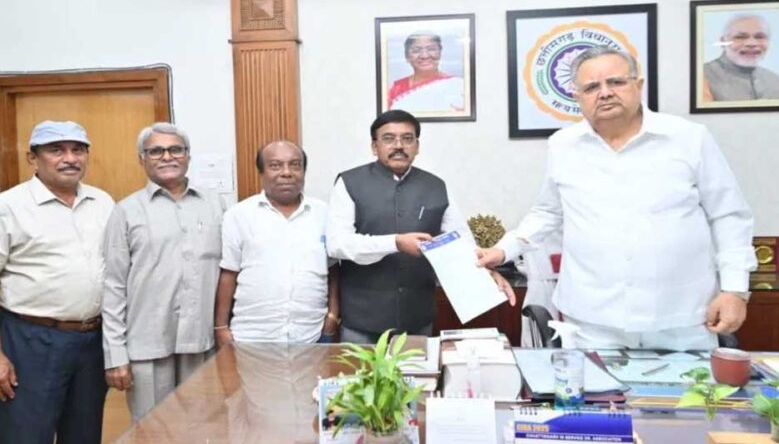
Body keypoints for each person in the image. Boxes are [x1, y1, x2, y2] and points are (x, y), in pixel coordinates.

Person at [478, 46, 757, 351]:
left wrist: (735, 289)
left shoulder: (689, 138)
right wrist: (504, 250)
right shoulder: (563, 145)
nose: (605, 93)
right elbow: (548, 212)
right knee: (594, 385)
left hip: (681, 317)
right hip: (592, 320)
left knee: (689, 385)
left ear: (639, 85)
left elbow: (728, 214)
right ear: (578, 97)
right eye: (591, 87)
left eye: (616, 82)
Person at [326, 109, 514, 344]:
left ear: (417, 146)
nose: (399, 145)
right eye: (388, 138)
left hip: (416, 317)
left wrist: (486, 272)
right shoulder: (349, 182)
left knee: (418, 370)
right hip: (362, 320)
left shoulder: (436, 186)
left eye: (407, 138)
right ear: (374, 146)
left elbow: (460, 242)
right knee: (360, 370)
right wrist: (395, 243)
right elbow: (337, 244)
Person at [0, 121, 114, 443]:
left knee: (84, 434)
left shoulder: (103, 202)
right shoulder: (8, 207)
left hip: (92, 341)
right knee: (26, 434)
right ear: (32, 158)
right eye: (56, 150)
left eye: (78, 150)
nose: (70, 158)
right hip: (29, 340)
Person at [101, 123, 224, 421]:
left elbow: (228, 271)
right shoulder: (125, 211)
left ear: (188, 156)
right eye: (156, 151)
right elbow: (113, 285)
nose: (167, 156)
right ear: (142, 159)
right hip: (148, 344)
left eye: (175, 149)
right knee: (153, 431)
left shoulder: (215, 204)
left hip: (201, 342)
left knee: (202, 427)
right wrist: (115, 354)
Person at [214, 141, 338, 347]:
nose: (286, 173)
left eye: (295, 165)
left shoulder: (324, 214)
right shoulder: (239, 215)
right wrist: (220, 327)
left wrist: (333, 315)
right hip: (251, 335)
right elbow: (229, 272)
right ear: (261, 173)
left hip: (311, 333)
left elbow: (333, 269)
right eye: (275, 165)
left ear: (304, 172)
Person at [703, 13, 779, 101]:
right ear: (723, 42)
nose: (751, 43)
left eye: (760, 37)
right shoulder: (701, 76)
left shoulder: (775, 81)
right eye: (741, 37)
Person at [388, 32, 465, 112]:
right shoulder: (396, 89)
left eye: (431, 49)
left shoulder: (458, 86)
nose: (424, 56)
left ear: (440, 52)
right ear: (406, 56)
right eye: (416, 51)